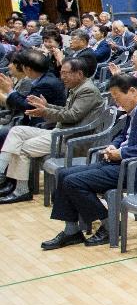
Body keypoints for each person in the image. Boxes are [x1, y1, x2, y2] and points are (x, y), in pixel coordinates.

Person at [43, 74, 137, 250]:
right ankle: (71, 230)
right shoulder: (135, 110)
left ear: (132, 91)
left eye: (117, 96)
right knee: (63, 173)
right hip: (120, 162)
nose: (116, 101)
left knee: (73, 182)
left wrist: (121, 153)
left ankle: (110, 224)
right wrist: (113, 146)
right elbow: (123, 136)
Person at [0, 57, 101, 204]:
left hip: (70, 138)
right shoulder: (78, 87)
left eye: (66, 73)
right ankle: (3, 175)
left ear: (79, 74)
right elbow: (67, 111)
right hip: (60, 132)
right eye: (61, 73)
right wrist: (47, 107)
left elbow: (72, 115)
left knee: (22, 147)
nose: (63, 77)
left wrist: (45, 112)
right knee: (17, 131)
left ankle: (21, 190)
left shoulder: (88, 90)